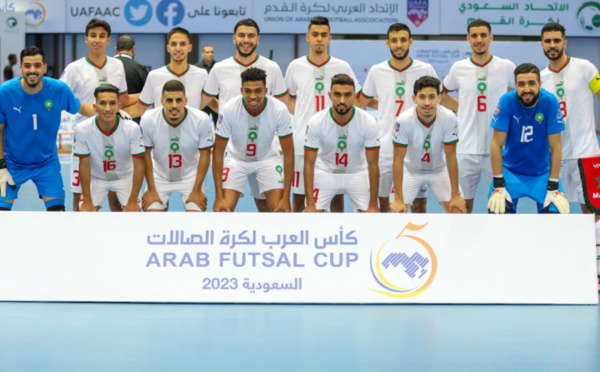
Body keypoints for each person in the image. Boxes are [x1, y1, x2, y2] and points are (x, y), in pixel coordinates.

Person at [201, 18, 291, 212]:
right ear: (234, 38)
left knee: (269, 209)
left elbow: (285, 104)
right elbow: (205, 100)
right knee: (224, 209)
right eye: (241, 35)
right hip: (234, 150)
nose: (246, 40)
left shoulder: (272, 68)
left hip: (266, 151)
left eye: (251, 36)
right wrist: (226, 113)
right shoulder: (220, 68)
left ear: (258, 39)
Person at [539, 22, 600, 282]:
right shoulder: (540, 79)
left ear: (565, 43)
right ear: (542, 45)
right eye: (547, 41)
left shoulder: (586, 67)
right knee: (554, 210)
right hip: (556, 158)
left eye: (556, 40)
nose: (552, 45)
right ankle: (560, 269)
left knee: (593, 211)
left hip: (587, 153)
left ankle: (595, 269)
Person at [0, 46, 93, 211]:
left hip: (46, 164)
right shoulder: (5, 92)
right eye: (27, 66)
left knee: (57, 214)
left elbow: (83, 108)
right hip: (12, 163)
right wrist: (1, 166)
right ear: (20, 68)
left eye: (37, 65)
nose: (32, 70)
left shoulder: (58, 89)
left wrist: (114, 112)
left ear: (44, 67)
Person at [357, 22, 438, 213]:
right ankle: (387, 243)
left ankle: (419, 241)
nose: (399, 44)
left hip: (417, 148)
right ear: (388, 44)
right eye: (394, 41)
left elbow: (438, 101)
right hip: (386, 146)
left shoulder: (425, 68)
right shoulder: (377, 70)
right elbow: (362, 102)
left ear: (410, 41)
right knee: (385, 204)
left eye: (403, 40)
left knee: (419, 205)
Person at [61, 18, 138, 211]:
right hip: (85, 136)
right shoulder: (74, 68)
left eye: (102, 36)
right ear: (86, 39)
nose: (97, 40)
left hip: (114, 134)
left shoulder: (117, 65)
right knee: (80, 198)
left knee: (115, 195)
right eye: (93, 35)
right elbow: (62, 97)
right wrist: (90, 110)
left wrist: (151, 94)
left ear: (109, 40)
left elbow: (125, 99)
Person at [285, 16, 361, 212]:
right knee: (300, 197)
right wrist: (303, 117)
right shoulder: (295, 66)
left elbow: (356, 99)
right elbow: (289, 99)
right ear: (307, 37)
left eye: (323, 35)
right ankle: (300, 238)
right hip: (303, 140)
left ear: (330, 38)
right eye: (315, 34)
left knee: (336, 195)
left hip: (334, 141)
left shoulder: (342, 66)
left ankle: (337, 237)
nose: (319, 38)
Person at [440, 19, 515, 213]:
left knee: (500, 207)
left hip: (497, 148)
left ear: (491, 37)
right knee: (461, 207)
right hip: (466, 148)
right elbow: (441, 95)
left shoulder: (506, 66)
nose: (479, 40)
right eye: (474, 36)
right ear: (468, 39)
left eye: (483, 35)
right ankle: (461, 243)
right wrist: (463, 107)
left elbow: (522, 96)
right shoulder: (459, 68)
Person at [488, 63, 569, 214]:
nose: (527, 89)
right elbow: (496, 145)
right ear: (515, 86)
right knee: (497, 214)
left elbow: (556, 147)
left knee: (557, 216)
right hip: (510, 171)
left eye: (532, 83)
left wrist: (553, 185)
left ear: (540, 84)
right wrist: (499, 183)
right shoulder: (506, 101)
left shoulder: (550, 102)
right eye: (521, 84)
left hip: (542, 173)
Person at [212, 67, 293, 212]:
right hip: (236, 159)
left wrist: (286, 197)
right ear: (241, 90)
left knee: (278, 211)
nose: (253, 96)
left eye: (258, 91)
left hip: (267, 158)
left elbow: (288, 153)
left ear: (266, 90)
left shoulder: (279, 109)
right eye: (248, 91)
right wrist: (218, 195)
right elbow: (218, 153)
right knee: (223, 211)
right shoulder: (229, 109)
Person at [304, 74, 380, 213]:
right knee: (311, 215)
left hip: (357, 172)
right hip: (326, 172)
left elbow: (373, 165)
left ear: (354, 96)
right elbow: (309, 164)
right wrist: (310, 204)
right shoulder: (316, 121)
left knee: (372, 216)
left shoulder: (368, 122)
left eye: (347, 95)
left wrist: (374, 204)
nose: (342, 100)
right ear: (329, 95)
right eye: (337, 95)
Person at [389, 76, 465, 213]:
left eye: (431, 97)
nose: (427, 102)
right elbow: (398, 160)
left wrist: (455, 195)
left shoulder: (449, 118)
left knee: (458, 210)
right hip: (411, 171)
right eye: (422, 97)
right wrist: (398, 199)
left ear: (439, 98)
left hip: (439, 170)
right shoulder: (404, 121)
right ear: (414, 99)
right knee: (396, 212)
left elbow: (451, 156)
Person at [141, 80, 214, 212]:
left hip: (190, 176)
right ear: (161, 101)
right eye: (169, 100)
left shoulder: (201, 119)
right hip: (159, 176)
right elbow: (145, 155)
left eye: (178, 100)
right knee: (151, 220)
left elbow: (205, 155)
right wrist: (151, 189)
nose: (174, 105)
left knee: (195, 220)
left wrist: (197, 190)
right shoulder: (148, 119)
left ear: (186, 101)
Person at [74, 84, 145, 212]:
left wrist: (133, 200)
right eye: (102, 103)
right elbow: (84, 165)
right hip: (96, 178)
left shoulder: (132, 128)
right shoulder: (82, 129)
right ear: (95, 107)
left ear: (119, 107)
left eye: (112, 103)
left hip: (125, 177)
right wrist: (87, 200)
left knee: (133, 212)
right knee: (85, 212)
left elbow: (139, 164)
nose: (108, 108)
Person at [128, 28, 214, 118]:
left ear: (190, 48)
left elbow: (213, 102)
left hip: (192, 131)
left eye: (183, 44)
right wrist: (115, 117)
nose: (178, 48)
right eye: (173, 44)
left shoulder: (202, 74)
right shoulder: (154, 76)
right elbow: (138, 109)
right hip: (161, 131)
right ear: (168, 48)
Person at [195, 44, 218, 125]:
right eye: (207, 52)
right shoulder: (197, 68)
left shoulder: (218, 67)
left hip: (217, 101)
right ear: (203, 54)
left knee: (219, 125)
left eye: (211, 52)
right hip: (203, 102)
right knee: (202, 124)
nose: (209, 54)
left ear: (214, 53)